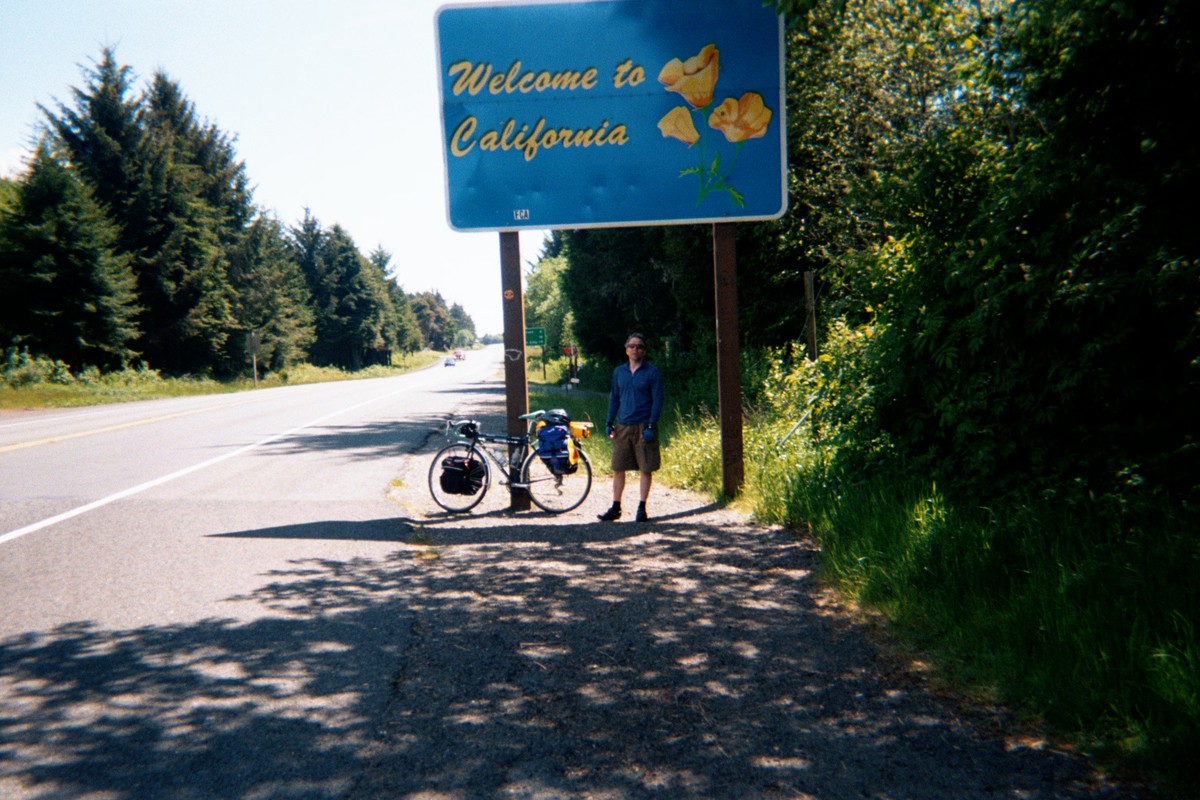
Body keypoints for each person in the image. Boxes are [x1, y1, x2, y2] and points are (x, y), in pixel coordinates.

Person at [598, 332, 664, 522]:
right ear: (626, 349)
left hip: (644, 425)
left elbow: (657, 401)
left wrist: (651, 424)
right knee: (618, 467)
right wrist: (609, 422)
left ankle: (642, 508)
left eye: (640, 346)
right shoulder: (619, 372)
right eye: (632, 346)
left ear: (644, 351)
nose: (636, 349)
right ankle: (615, 507)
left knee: (646, 468)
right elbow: (614, 398)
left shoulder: (652, 373)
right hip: (623, 425)